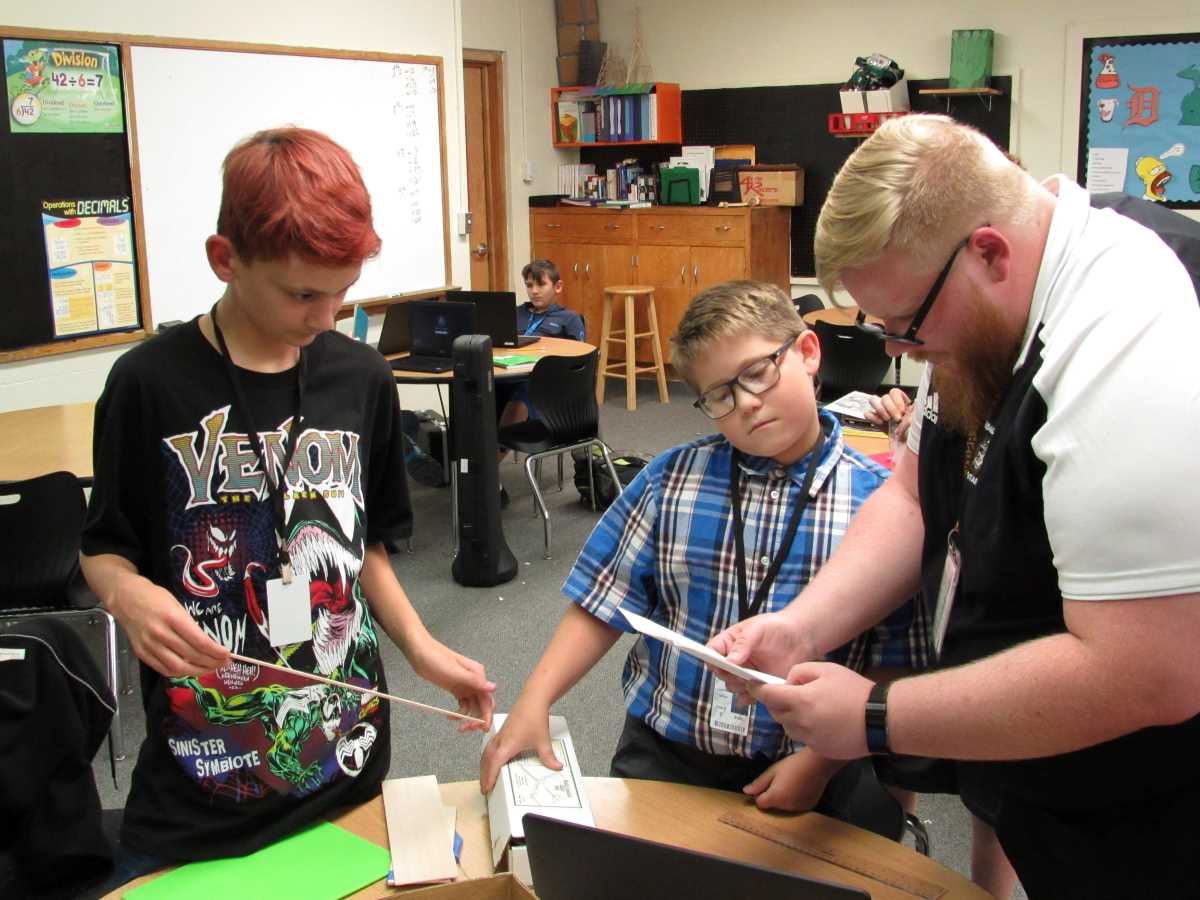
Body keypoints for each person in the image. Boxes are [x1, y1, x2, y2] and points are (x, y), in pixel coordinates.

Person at [709, 115, 1200, 898]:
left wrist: (875, 716)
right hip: (1020, 744)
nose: (898, 354)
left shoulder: (1128, 338)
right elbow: (913, 496)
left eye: (905, 331)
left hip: (1139, 801)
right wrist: (802, 626)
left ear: (988, 253)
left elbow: (1147, 671)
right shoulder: (981, 305)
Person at [80, 127, 496, 882]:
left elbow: (362, 546)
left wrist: (422, 648)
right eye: (304, 293)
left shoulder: (362, 376)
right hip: (202, 773)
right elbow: (104, 543)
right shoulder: (148, 382)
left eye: (343, 292)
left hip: (346, 753)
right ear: (224, 259)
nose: (327, 317)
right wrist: (129, 595)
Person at [480, 280, 927, 828]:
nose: (746, 405)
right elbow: (603, 599)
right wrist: (536, 699)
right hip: (667, 748)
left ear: (808, 353)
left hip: (815, 765)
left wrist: (821, 764)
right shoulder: (670, 480)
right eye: (720, 395)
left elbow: (892, 666)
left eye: (757, 372)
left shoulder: (881, 508)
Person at [495, 258, 585, 432]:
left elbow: (578, 361)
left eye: (541, 285)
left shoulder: (569, 318)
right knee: (482, 390)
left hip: (544, 382)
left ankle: (497, 448)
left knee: (522, 393)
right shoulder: (515, 313)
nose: (534, 291)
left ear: (557, 286)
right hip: (509, 374)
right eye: (529, 286)